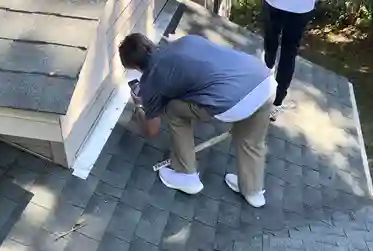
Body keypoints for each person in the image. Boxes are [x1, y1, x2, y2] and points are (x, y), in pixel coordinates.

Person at [118, 33, 276, 208]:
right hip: (263, 80)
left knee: (172, 109)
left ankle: (187, 175)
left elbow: (152, 131)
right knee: (251, 140)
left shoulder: (153, 80)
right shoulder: (186, 40)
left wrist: (139, 105)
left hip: (232, 101)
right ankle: (253, 190)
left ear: (134, 66)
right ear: (148, 43)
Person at [263, 0, 315, 106]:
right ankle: (277, 101)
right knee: (289, 53)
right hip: (302, 7)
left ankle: (263, 85)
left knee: (270, 44)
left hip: (275, 4)